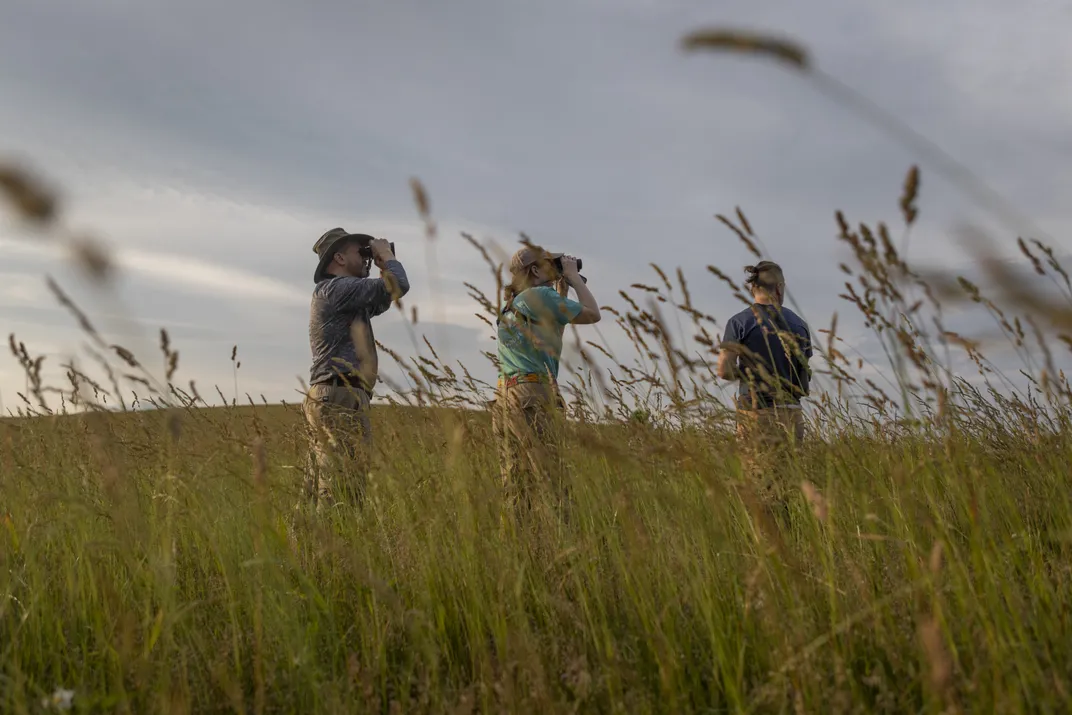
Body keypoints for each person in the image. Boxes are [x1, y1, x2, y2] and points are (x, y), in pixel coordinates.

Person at [493, 244, 600, 528]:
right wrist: (574, 278)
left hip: (505, 398)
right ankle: (566, 543)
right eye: (550, 265)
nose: (557, 270)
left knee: (517, 488)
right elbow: (592, 313)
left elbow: (554, 332)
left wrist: (562, 287)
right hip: (533, 396)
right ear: (536, 270)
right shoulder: (541, 295)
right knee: (553, 481)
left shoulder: (513, 304)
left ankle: (518, 550)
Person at [302, 227, 409, 509]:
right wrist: (384, 254)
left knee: (329, 486)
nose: (365, 258)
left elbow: (386, 294)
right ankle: (331, 550)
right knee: (341, 490)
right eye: (359, 252)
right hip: (340, 394)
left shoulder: (345, 296)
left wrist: (383, 262)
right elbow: (398, 284)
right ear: (338, 257)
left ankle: (311, 548)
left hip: (337, 394)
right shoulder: (336, 289)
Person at [717, 260, 812, 499]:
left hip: (757, 413)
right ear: (779, 287)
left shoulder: (739, 322)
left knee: (758, 487)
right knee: (788, 485)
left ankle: (764, 535)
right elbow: (804, 370)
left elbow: (724, 370)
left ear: (753, 288)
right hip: (793, 414)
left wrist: (751, 374)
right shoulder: (799, 325)